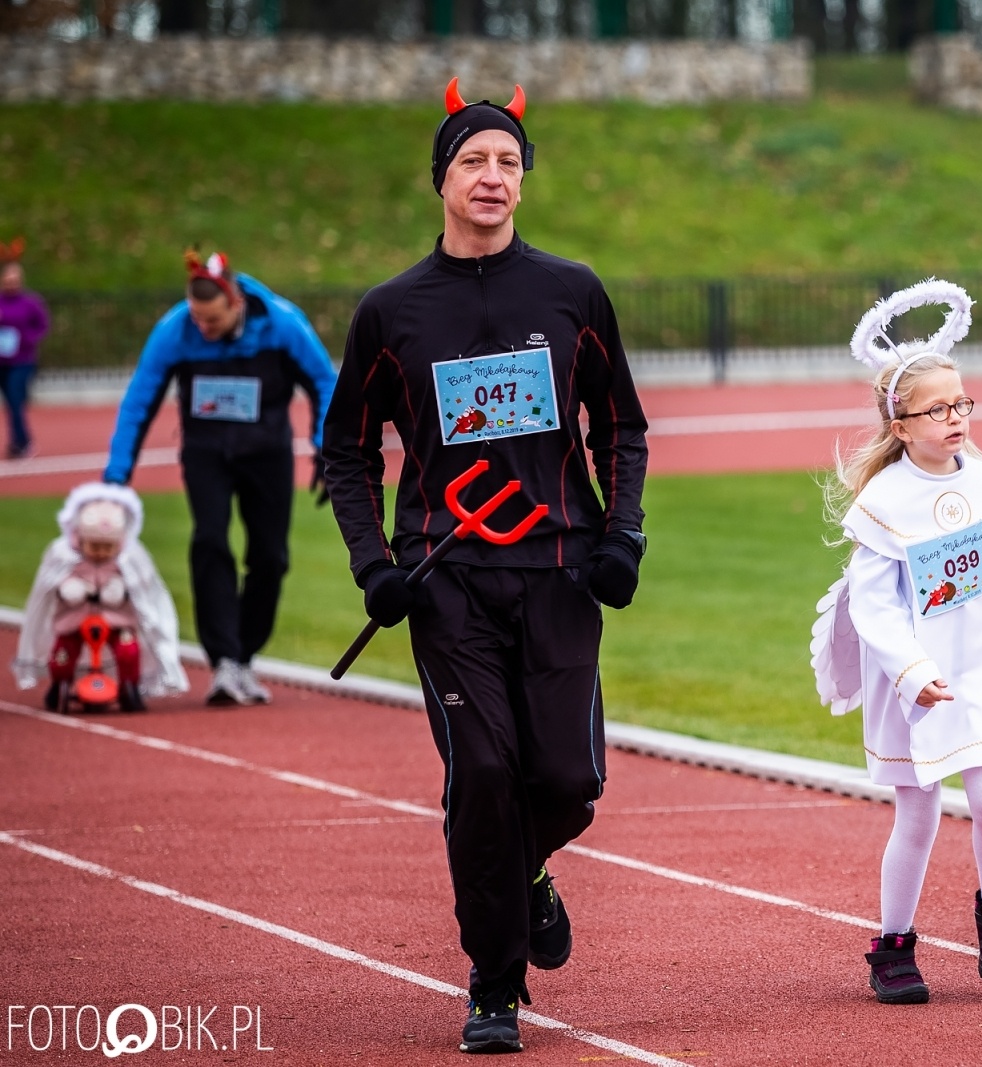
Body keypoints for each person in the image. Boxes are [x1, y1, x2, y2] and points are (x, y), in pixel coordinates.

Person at [321, 78, 648, 1055]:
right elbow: (345, 449)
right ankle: (493, 984)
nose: (493, 176)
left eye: (508, 161)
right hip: (446, 580)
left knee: (564, 778)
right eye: (474, 160)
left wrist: (621, 533)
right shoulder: (390, 312)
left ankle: (524, 871)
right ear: (442, 180)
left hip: (557, 569)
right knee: (484, 771)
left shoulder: (571, 291)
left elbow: (620, 423)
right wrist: (374, 561)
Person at [812, 279, 982, 1005]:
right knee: (917, 812)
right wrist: (912, 669)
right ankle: (893, 944)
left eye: (962, 404)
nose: (955, 417)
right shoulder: (884, 505)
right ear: (901, 423)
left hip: (978, 670)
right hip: (912, 684)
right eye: (938, 408)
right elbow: (875, 605)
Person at [103, 250, 337, 706]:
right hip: (206, 453)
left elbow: (325, 382)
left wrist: (328, 450)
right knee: (209, 541)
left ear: (236, 304)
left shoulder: (282, 323)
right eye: (197, 319)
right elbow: (140, 398)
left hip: (267, 452)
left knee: (270, 556)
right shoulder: (177, 329)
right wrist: (116, 477)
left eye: (211, 320)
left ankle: (244, 655)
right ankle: (224, 660)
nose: (203, 329)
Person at [12, 481, 187, 711]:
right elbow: (48, 587)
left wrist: (121, 590)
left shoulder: (128, 559)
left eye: (107, 547)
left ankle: (129, 685)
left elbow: (145, 591)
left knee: (128, 650)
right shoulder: (65, 556)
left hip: (116, 620)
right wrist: (68, 589)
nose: (101, 553)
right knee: (63, 655)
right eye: (94, 546)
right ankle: (59, 684)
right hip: (74, 620)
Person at [0, 240, 51, 459]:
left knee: (15, 399)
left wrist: (27, 339)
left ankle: (22, 442)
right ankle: (16, 441)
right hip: (2, 359)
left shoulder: (31, 302)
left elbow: (43, 325)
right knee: (9, 403)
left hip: (22, 360)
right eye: (7, 280)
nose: (11, 284)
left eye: (14, 280)